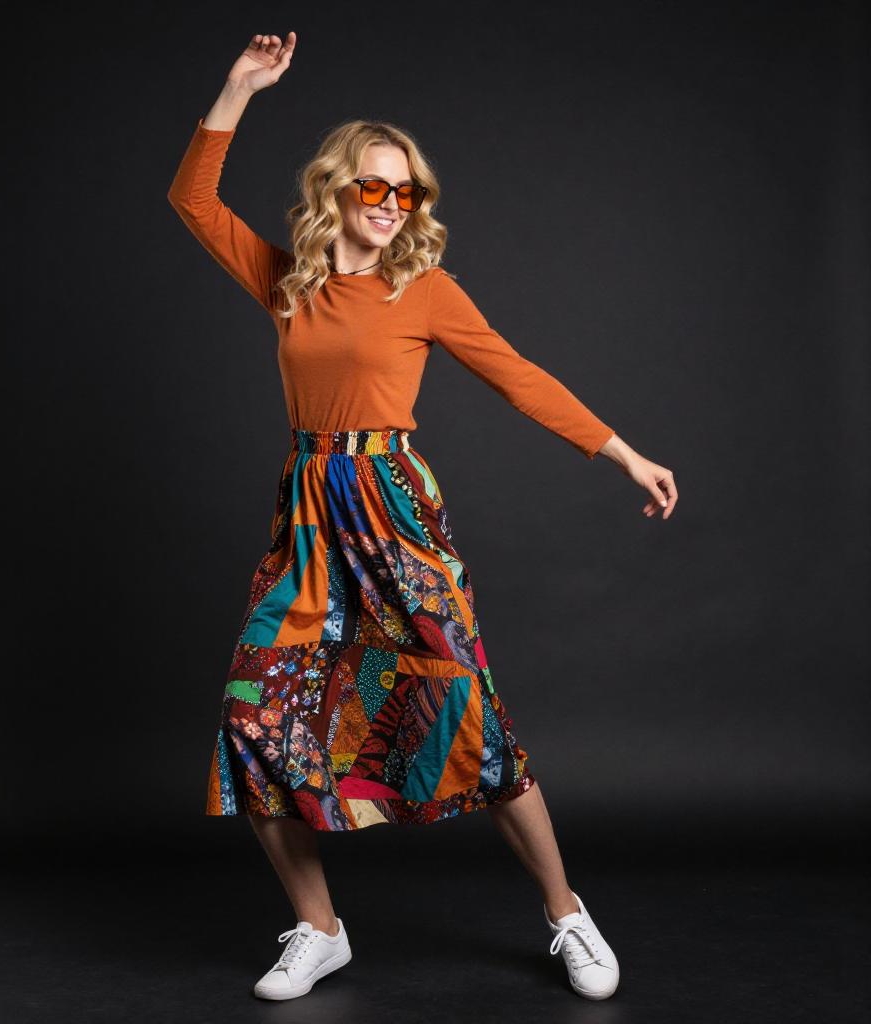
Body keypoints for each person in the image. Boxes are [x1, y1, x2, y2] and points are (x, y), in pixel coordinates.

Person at [167, 30, 677, 1004]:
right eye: (373, 186)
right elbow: (193, 200)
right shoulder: (288, 281)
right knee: (255, 718)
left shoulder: (423, 291)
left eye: (406, 193)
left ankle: (567, 912)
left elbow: (518, 377)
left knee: (468, 713)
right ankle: (320, 929)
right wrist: (238, 87)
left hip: (395, 512)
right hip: (310, 516)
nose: (390, 204)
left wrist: (623, 453)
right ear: (336, 189)